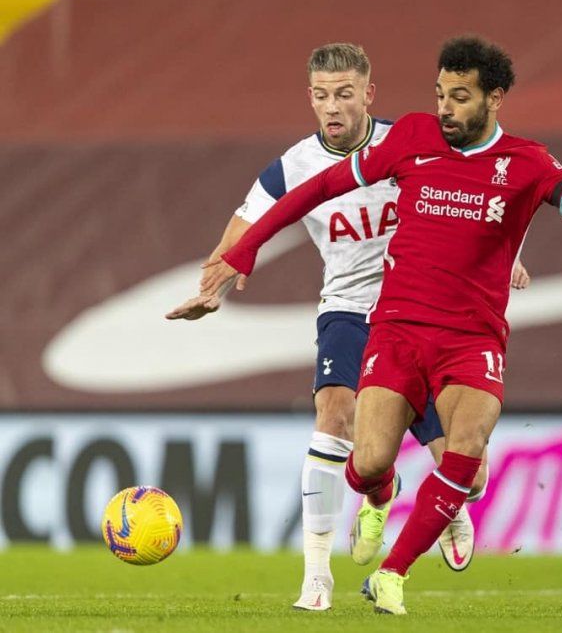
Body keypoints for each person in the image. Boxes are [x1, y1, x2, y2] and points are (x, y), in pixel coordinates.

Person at [196, 36, 562, 615]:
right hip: (394, 327)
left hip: (470, 338)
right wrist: (243, 254)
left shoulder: (527, 163)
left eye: (460, 97)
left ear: (494, 99)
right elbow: (320, 187)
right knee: (369, 461)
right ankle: (380, 496)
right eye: (440, 94)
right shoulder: (414, 138)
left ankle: (394, 572)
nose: (445, 108)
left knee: (469, 470)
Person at [165, 43, 519, 611]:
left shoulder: (412, 139)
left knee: (469, 471)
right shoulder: (292, 166)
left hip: (426, 311)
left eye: (346, 94)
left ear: (368, 95)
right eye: (323, 96)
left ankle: (444, 504)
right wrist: (214, 285)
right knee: (333, 415)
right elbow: (242, 228)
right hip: (349, 311)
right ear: (310, 98)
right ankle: (317, 577)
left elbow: (488, 189)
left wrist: (505, 256)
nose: (334, 107)